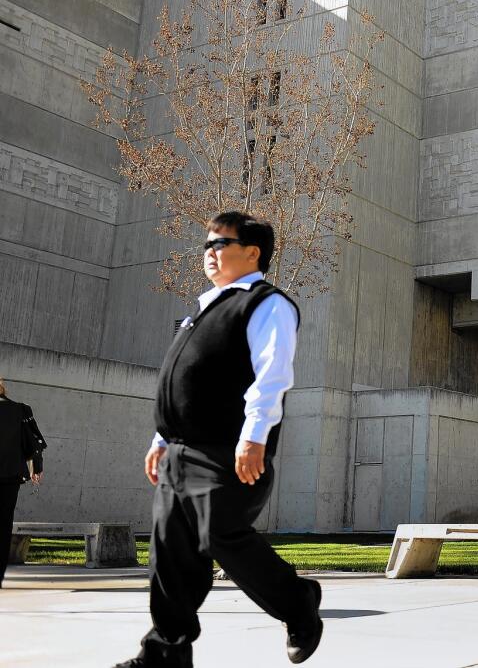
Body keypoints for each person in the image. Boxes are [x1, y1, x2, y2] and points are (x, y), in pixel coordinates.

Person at [116, 212, 321, 668]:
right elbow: (183, 382)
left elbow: (273, 375)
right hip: (178, 452)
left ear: (253, 252)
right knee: (170, 555)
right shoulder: (202, 309)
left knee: (221, 535)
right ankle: (165, 652)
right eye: (207, 245)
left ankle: (299, 602)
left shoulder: (266, 304)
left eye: (221, 244)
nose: (210, 253)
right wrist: (161, 437)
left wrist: (255, 437)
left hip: (226, 451)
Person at [0, 377, 46, 588]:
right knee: (4, 522)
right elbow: (34, 442)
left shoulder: (20, 411)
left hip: (9, 476)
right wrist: (37, 467)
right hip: (10, 475)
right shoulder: (20, 410)